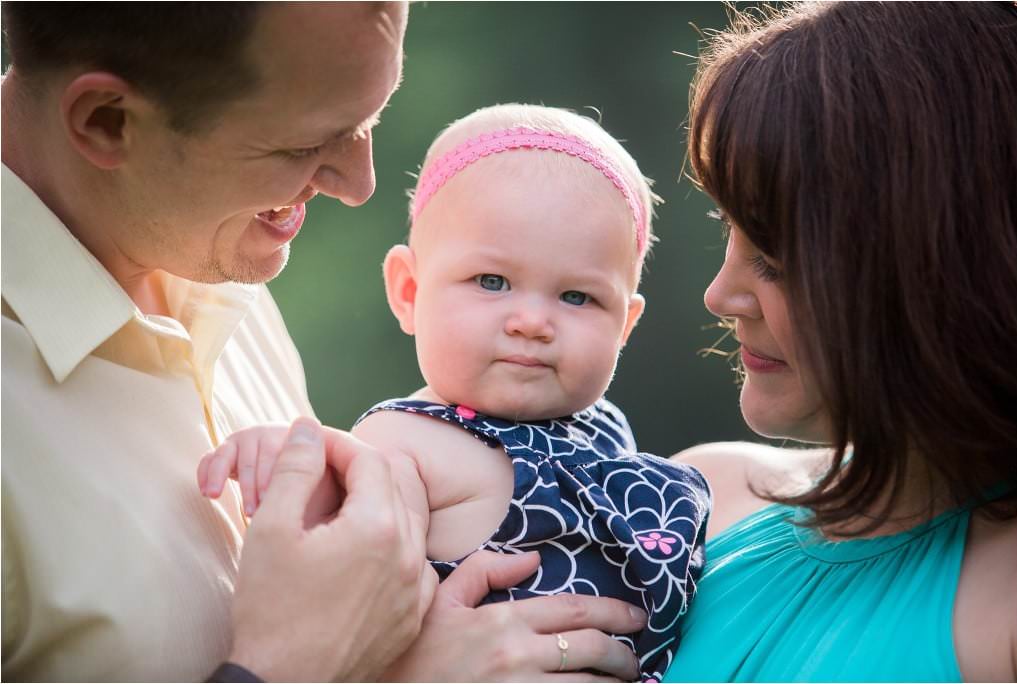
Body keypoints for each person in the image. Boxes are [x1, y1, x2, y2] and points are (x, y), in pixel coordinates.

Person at [1, 4, 646, 681]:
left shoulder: (218, 271)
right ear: (108, 120)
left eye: (368, 122)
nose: (360, 184)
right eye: (301, 146)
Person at [199, 103, 711, 682]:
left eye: (577, 297)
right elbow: (338, 555)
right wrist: (286, 458)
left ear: (625, 326)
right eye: (491, 282)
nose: (531, 321)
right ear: (409, 291)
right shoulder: (407, 443)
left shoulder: (607, 433)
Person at [660, 2, 1017, 681]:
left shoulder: (1007, 603)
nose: (720, 295)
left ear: (928, 265)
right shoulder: (691, 507)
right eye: (725, 225)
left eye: (773, 256)